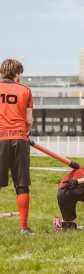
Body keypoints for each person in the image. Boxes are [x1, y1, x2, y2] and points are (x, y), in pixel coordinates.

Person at [0, 59, 34, 234]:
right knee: (21, 184)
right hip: (19, 139)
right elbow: (28, 120)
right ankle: (24, 227)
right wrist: (25, 134)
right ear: (17, 73)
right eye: (21, 74)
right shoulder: (25, 90)